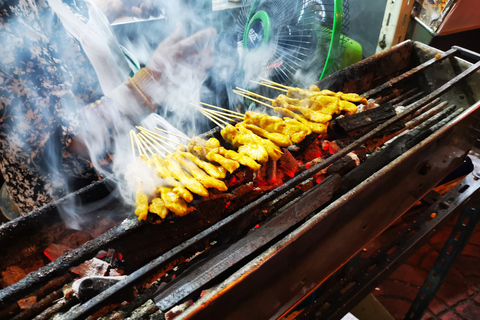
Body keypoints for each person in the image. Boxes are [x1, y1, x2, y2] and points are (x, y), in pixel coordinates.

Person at [0, 0, 216, 216]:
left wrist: (112, 9)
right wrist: (154, 79)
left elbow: (60, 42)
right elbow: (73, 140)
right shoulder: (7, 13)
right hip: (78, 206)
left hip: (126, 161)